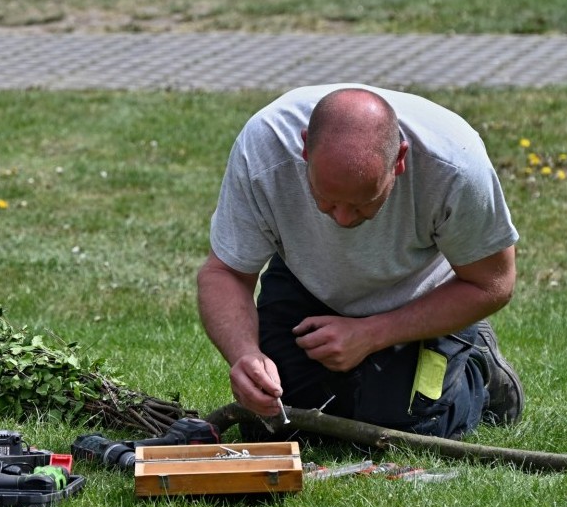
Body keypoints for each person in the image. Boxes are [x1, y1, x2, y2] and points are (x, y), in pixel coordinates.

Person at [196, 84, 524, 441]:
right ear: (305, 149)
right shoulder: (264, 149)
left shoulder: (456, 165)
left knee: (410, 428)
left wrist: (371, 334)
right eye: (326, 199)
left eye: (363, 203)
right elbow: (224, 273)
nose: (343, 219)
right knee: (272, 426)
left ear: (399, 159)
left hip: (421, 293)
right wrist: (245, 355)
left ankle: (480, 367)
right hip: (309, 282)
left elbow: (493, 284)